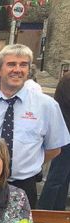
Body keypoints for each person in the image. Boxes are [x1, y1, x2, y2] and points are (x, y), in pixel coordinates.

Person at [0, 44, 70, 208]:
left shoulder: (47, 106)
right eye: (11, 64)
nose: (17, 69)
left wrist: (29, 164)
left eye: (23, 64)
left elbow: (54, 149)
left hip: (24, 186)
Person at [38, 71, 70, 210]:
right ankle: (45, 211)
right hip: (65, 135)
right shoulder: (67, 80)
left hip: (66, 134)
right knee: (57, 177)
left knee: (63, 178)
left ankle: (58, 211)